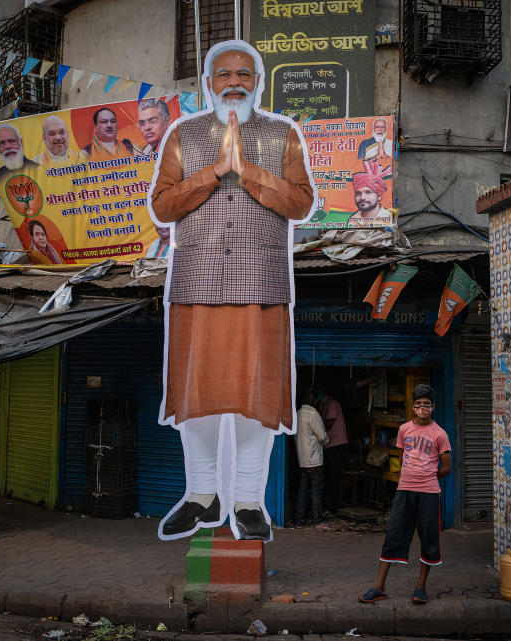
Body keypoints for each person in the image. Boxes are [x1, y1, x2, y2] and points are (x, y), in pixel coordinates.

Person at [149, 40, 314, 542]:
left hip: (260, 285)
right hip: (196, 284)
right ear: (208, 84)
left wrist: (249, 171)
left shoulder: (282, 135)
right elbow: (163, 207)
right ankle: (202, 496)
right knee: (195, 399)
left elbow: (301, 203)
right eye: (224, 75)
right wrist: (215, 171)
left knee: (257, 401)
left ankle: (247, 502)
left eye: (245, 73)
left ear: (258, 83)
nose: (235, 82)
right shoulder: (184, 135)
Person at [359, 384, 452, 605]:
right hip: (404, 491)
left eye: (426, 404)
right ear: (413, 406)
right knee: (393, 536)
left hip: (429, 493)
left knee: (429, 539)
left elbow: (447, 466)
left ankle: (420, 587)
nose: (422, 408)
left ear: (433, 407)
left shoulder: (440, 434)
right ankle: (378, 587)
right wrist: (412, 475)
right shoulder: (404, 430)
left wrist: (427, 475)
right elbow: (402, 457)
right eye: (418, 404)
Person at [295, 390, 328, 527]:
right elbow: (322, 436)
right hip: (314, 459)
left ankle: (300, 521)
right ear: (314, 401)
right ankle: (317, 520)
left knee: (303, 490)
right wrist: (326, 440)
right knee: (316, 490)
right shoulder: (313, 414)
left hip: (302, 458)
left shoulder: (297, 414)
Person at [319, 391, 348, 516]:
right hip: (329, 444)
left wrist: (316, 426)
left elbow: (329, 423)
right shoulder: (322, 405)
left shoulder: (332, 404)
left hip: (337, 444)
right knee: (330, 476)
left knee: (333, 476)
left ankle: (331, 507)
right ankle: (331, 505)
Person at [348, 160, 396, 227]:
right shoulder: (352, 220)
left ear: (379, 196)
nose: (362, 198)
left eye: (368, 192)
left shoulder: (390, 219)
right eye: (358, 193)